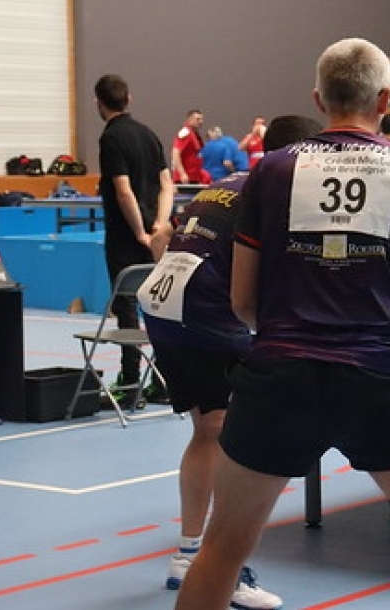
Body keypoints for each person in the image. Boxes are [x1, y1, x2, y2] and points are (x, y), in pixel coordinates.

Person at [173, 37, 390, 610]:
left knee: (221, 549)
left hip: (278, 379)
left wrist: (286, 337)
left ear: (318, 99)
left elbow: (243, 300)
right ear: (386, 101)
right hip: (379, 379)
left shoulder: (271, 170)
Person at [145, 116, 320, 609]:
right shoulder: (276, 194)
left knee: (209, 430)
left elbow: (164, 240)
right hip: (206, 313)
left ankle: (189, 555)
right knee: (238, 440)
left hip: (162, 306)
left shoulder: (226, 183)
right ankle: (226, 569)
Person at [94, 73, 175, 402]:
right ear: (129, 99)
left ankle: (129, 384)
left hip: (125, 238)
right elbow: (168, 185)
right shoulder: (149, 134)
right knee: (159, 307)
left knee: (126, 307)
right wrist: (160, 226)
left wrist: (140, 232)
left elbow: (123, 190)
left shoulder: (111, 138)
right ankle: (163, 381)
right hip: (156, 237)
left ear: (99, 103)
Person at [172, 109, 210, 185]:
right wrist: (182, 173)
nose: (201, 122)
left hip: (194, 177)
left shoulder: (195, 134)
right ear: (190, 120)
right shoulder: (185, 133)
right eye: (197, 119)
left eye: (201, 119)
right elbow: (175, 153)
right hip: (185, 179)